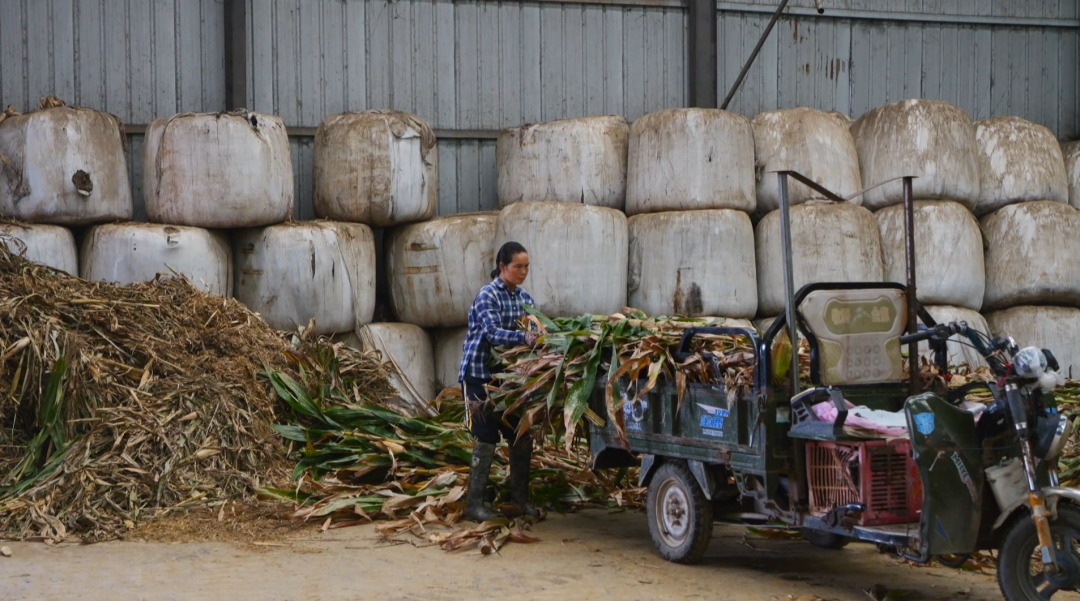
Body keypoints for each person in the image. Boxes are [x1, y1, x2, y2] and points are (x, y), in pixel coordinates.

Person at [459, 241, 541, 521]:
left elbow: (535, 329)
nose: (523, 271)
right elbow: (493, 333)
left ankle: (519, 500)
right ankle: (474, 505)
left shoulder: (525, 299)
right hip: (479, 376)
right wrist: (525, 337)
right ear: (502, 266)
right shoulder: (487, 295)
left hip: (509, 380)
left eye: (527, 266)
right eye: (518, 266)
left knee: (520, 435)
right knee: (485, 436)